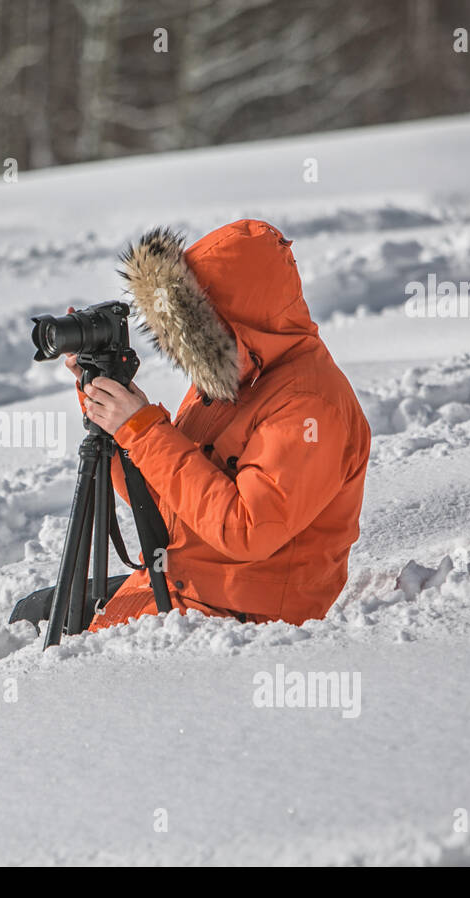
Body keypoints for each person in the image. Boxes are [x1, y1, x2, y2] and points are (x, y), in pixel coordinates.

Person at [67, 220, 371, 629]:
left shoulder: (309, 408)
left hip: (237, 616)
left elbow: (249, 529)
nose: (189, 346)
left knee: (54, 660)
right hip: (183, 587)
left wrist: (143, 431)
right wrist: (113, 413)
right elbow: (165, 502)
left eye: (197, 329)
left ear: (233, 319)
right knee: (33, 615)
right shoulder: (229, 380)